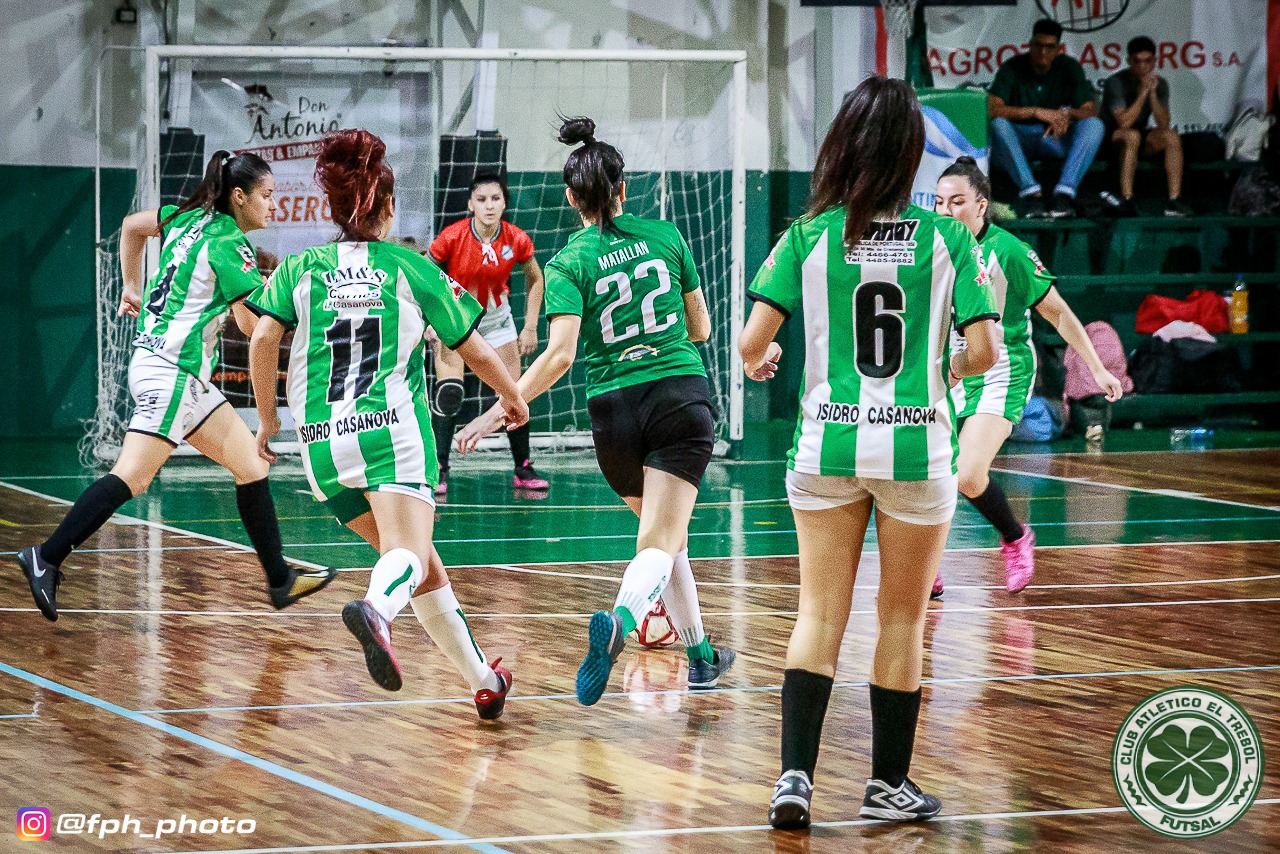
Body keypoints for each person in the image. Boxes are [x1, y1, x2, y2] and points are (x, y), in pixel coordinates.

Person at [740, 77, 1002, 829]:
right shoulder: (949, 237)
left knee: (818, 612)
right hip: (918, 451)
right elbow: (983, 349)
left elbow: (753, 344)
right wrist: (943, 367)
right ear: (911, 152)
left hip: (825, 444)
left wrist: (765, 360)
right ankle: (889, 784)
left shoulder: (807, 234)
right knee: (901, 620)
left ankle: (794, 778)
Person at [456, 115, 736, 705]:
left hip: (613, 415)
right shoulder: (666, 237)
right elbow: (703, 328)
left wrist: (498, 409)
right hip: (678, 395)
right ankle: (621, 619)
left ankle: (703, 656)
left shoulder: (567, 263)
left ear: (570, 199)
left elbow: (558, 357)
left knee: (667, 538)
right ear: (623, 188)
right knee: (660, 542)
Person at [248, 129, 527, 719]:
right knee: (409, 557)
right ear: (389, 208)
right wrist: (511, 399)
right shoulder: (409, 266)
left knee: (420, 565)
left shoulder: (301, 267)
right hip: (390, 432)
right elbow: (472, 347)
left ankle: (483, 680)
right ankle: (375, 608)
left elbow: (265, 335)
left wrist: (269, 421)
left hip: (321, 445)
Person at [15, 151, 336, 621]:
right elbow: (252, 329)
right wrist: (298, 310)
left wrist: (131, 285)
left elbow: (130, 226)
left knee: (250, 463)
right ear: (240, 197)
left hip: (171, 368)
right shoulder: (230, 245)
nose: (274, 204)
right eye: (267, 196)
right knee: (133, 476)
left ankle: (280, 580)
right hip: (172, 372)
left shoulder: (185, 216)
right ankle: (46, 557)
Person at [933, 157, 1124, 597]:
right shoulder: (932, 248)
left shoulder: (1010, 252)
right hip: (948, 368)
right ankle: (928, 566)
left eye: (957, 201)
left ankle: (1016, 537)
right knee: (926, 473)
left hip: (1001, 368)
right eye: (940, 202)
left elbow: (1058, 312)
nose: (946, 211)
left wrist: (1095, 367)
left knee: (966, 473)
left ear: (982, 206)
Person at [429, 173, 549, 495]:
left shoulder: (516, 239)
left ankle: (523, 467)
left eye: (495, 198)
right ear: (470, 204)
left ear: (504, 202)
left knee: (515, 394)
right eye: (481, 200)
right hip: (457, 321)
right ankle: (438, 466)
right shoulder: (451, 238)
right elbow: (426, 278)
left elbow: (536, 279)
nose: (489, 205)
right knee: (449, 393)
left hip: (497, 322)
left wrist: (530, 325)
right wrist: (431, 318)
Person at [988, 18, 1105, 219]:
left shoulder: (1069, 67)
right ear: (1030, 44)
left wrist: (1067, 115)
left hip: (1055, 139)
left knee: (1094, 125)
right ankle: (1032, 194)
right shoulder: (1013, 67)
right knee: (998, 125)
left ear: (1058, 49)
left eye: (1050, 47)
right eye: (1039, 45)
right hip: (1020, 140)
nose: (1043, 52)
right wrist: (1036, 111)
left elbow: (1089, 111)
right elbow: (993, 108)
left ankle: (1064, 193)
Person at [1101, 37, 1192, 217]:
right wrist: (1143, 92)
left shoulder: (1160, 84)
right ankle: (1127, 198)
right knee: (1131, 135)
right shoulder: (1115, 82)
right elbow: (1124, 122)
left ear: (1154, 62)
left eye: (1147, 61)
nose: (1143, 66)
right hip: (1110, 137)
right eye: (1137, 61)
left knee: (1171, 136)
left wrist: (1151, 93)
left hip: (1137, 135)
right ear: (1129, 62)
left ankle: (1174, 200)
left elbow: (1163, 123)